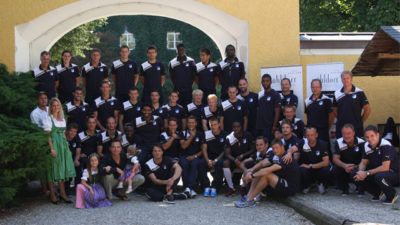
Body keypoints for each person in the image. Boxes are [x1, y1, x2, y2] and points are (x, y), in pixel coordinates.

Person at [235, 139, 300, 208]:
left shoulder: (286, 158)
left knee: (267, 175)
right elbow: (262, 163)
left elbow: (269, 169)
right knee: (260, 171)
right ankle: (248, 196)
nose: (275, 150)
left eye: (277, 148)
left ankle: (250, 200)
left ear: (282, 147)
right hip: (280, 183)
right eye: (273, 148)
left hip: (289, 187)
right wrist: (251, 171)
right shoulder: (276, 155)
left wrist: (251, 175)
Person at [353, 125, 399, 205]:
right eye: (367, 137)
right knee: (355, 174)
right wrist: (360, 172)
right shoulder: (366, 145)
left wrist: (366, 173)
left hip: (394, 173)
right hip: (378, 171)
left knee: (380, 176)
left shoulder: (385, 145)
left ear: (378, 135)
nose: (369, 139)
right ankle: (378, 193)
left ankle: (392, 195)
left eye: (372, 136)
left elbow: (385, 167)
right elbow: (363, 162)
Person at [43, 98, 76, 204]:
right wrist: (51, 148)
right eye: (53, 105)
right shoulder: (48, 118)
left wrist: (67, 147)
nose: (55, 107)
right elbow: (47, 136)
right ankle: (52, 194)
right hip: (53, 145)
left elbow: (63, 134)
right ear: (51, 107)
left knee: (62, 168)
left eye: (57, 105)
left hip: (62, 145)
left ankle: (62, 193)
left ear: (60, 107)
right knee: (52, 169)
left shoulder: (62, 119)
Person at [283, 127, 330, 194]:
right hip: (307, 171)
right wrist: (289, 153)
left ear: (316, 135)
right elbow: (291, 149)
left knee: (326, 169)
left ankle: (321, 183)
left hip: (318, 168)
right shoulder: (303, 142)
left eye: (312, 135)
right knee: (302, 169)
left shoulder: (323, 144)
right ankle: (307, 185)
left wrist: (310, 166)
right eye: (308, 135)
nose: (310, 137)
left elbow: (326, 162)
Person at [333, 71, 371, 138]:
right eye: (343, 78)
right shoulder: (337, 93)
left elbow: (367, 109)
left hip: (356, 128)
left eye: (347, 78)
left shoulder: (359, 92)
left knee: (357, 147)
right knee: (343, 147)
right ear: (341, 80)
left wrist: (360, 122)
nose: (345, 80)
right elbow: (334, 110)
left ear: (351, 79)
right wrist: (341, 118)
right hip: (341, 128)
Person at [332, 124, 364, 195]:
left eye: (348, 133)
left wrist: (356, 167)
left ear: (354, 133)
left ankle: (360, 188)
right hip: (345, 166)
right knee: (335, 169)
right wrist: (344, 166)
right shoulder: (338, 142)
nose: (346, 136)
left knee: (357, 172)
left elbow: (365, 159)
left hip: (358, 166)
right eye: (344, 133)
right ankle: (344, 189)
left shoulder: (361, 142)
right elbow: (335, 159)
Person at [223, 122, 254, 196]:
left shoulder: (247, 135)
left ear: (241, 127)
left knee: (251, 164)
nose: (236, 128)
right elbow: (227, 154)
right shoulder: (229, 138)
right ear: (232, 128)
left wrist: (243, 155)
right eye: (234, 127)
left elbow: (253, 149)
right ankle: (231, 188)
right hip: (234, 159)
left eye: (238, 127)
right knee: (225, 163)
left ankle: (245, 187)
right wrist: (235, 160)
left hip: (245, 158)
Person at [199, 117, 226, 197]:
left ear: (219, 125)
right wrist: (208, 160)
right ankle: (206, 186)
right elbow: (204, 148)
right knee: (200, 164)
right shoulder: (207, 134)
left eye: (215, 124)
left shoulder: (224, 134)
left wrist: (216, 160)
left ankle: (215, 187)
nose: (213, 126)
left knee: (220, 164)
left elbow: (225, 151)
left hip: (220, 158)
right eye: (211, 125)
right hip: (209, 158)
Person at [179, 116, 204, 198]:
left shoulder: (200, 134)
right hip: (184, 156)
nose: (191, 124)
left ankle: (189, 188)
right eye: (189, 122)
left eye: (193, 122)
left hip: (196, 156)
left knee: (194, 164)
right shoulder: (182, 133)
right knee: (184, 164)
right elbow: (183, 146)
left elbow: (203, 149)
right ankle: (188, 188)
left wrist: (195, 156)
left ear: (196, 123)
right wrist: (191, 136)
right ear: (187, 123)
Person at [256, 74, 281, 140]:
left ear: (270, 82)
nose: (265, 83)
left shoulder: (275, 94)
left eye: (267, 81)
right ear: (261, 82)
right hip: (259, 126)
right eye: (263, 81)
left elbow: (277, 111)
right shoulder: (260, 94)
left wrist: (274, 126)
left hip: (269, 127)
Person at [65, 123, 82, 191]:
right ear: (68, 131)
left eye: (75, 131)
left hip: (73, 157)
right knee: (67, 170)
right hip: (65, 159)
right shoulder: (64, 138)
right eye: (71, 131)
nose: (73, 133)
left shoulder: (77, 138)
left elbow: (78, 151)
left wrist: (76, 160)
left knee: (78, 165)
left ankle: (77, 188)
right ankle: (67, 189)